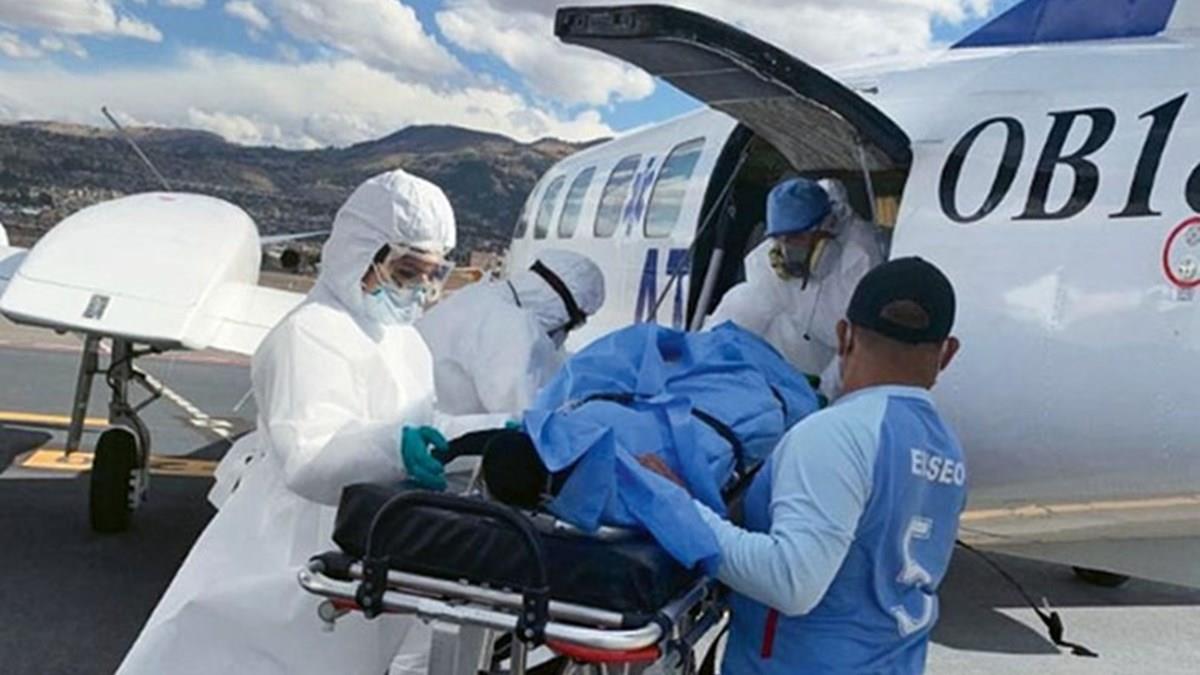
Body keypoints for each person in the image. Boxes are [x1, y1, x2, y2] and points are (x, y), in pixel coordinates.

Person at [119, 169, 501, 675]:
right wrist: (395, 449)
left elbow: (418, 421)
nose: (421, 291)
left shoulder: (402, 340)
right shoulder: (309, 333)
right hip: (288, 547)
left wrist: (492, 430)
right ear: (361, 253)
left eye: (433, 275)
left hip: (364, 537)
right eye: (407, 272)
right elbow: (309, 459)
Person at [651, 257, 964, 674]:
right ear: (947, 353)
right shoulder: (946, 449)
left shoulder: (837, 433)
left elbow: (792, 582)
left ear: (843, 335)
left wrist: (680, 507)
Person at [476, 321, 820, 570]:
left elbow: (693, 531)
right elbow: (698, 535)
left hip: (729, 399)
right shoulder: (580, 432)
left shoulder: (608, 483)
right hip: (736, 395)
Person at [708, 177, 884, 400]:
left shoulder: (860, 258)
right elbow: (742, 312)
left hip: (845, 373)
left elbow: (857, 342)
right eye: (779, 239)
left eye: (796, 238)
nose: (786, 249)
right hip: (796, 371)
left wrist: (824, 395)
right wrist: (705, 357)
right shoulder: (767, 262)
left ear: (828, 226)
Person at [416, 248, 605, 415]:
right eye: (574, 323)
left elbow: (550, 360)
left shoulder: (481, 297)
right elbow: (522, 413)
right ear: (561, 312)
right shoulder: (510, 326)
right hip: (441, 434)